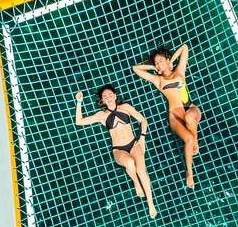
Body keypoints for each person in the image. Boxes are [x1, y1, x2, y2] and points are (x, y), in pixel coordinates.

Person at [75, 85, 158, 218]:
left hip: (134, 144)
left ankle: (151, 203)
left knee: (142, 170)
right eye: (105, 97)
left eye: (109, 95)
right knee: (130, 163)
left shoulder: (125, 107)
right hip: (118, 149)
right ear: (102, 100)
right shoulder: (102, 116)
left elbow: (143, 120)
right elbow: (79, 122)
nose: (108, 98)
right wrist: (79, 102)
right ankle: (136, 182)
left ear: (115, 95)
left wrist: (142, 138)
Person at [132, 44, 202, 189]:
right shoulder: (158, 80)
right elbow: (136, 69)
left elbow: (185, 47)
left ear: (167, 59)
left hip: (191, 108)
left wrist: (171, 61)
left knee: (190, 118)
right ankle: (190, 173)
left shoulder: (180, 71)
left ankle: (196, 142)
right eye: (156, 62)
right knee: (187, 139)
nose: (158, 64)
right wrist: (153, 68)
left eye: (161, 61)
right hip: (174, 116)